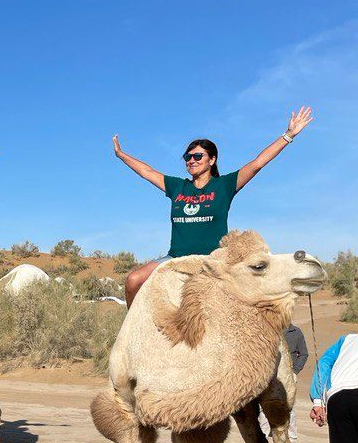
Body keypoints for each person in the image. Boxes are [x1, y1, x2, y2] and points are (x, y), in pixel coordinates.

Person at [112, 107, 314, 306]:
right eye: (188, 157)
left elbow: (257, 163)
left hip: (214, 260)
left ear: (212, 160)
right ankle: (134, 330)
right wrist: (122, 155)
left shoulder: (224, 185)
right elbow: (147, 171)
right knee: (133, 280)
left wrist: (288, 135)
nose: (191, 160)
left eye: (198, 156)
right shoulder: (177, 187)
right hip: (176, 258)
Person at [259, 323, 309, 443]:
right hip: (267, 374)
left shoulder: (296, 332)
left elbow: (303, 353)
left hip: (288, 375)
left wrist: (295, 370)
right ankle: (263, 436)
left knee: (289, 406)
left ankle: (292, 438)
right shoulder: (268, 328)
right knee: (263, 406)